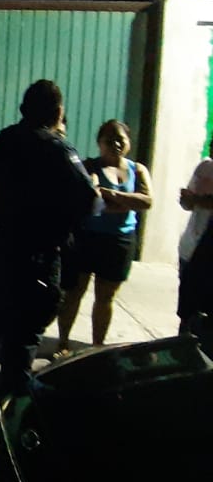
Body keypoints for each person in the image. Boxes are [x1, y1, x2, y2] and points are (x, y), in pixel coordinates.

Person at [0, 80, 101, 400]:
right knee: (27, 325)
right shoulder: (59, 149)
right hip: (37, 249)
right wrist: (92, 185)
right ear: (58, 112)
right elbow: (88, 201)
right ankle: (15, 398)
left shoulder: (5, 140)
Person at [52, 120, 152, 357]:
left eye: (120, 139)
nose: (116, 144)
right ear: (99, 142)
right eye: (109, 139)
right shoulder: (90, 166)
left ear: (128, 142)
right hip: (87, 238)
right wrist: (124, 201)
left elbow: (147, 201)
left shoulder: (138, 170)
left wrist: (110, 195)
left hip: (120, 241)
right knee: (74, 293)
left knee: (106, 297)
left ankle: (97, 346)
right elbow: (91, 199)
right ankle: (62, 343)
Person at [177, 137, 213, 334]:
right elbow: (188, 202)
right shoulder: (205, 168)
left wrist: (198, 200)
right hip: (191, 248)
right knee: (188, 308)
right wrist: (188, 200)